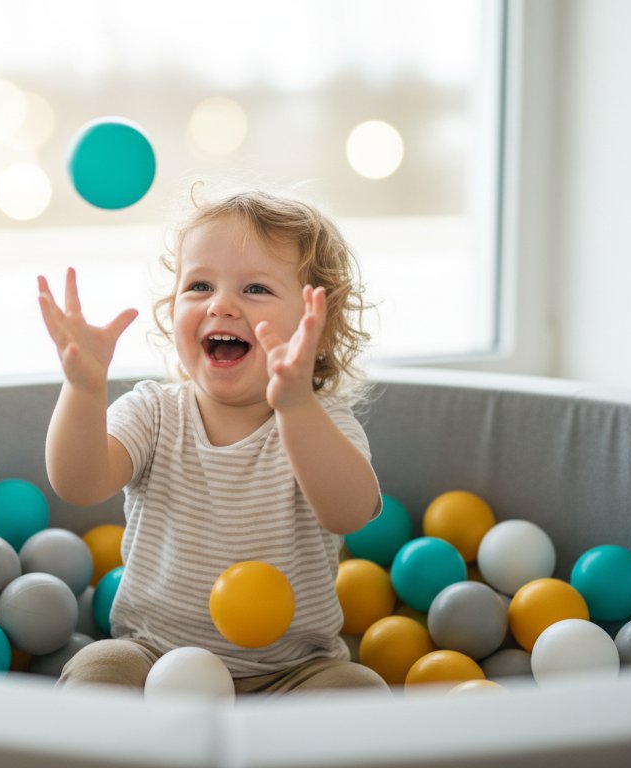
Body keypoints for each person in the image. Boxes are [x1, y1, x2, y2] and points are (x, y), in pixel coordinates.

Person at [36, 187, 389, 696]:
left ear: (320, 327)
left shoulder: (323, 423)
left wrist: (294, 406)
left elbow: (348, 513)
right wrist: (83, 390)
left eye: (256, 290)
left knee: (359, 690)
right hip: (154, 657)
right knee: (99, 668)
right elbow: (79, 483)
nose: (221, 304)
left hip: (293, 671)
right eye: (199, 285)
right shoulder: (154, 412)